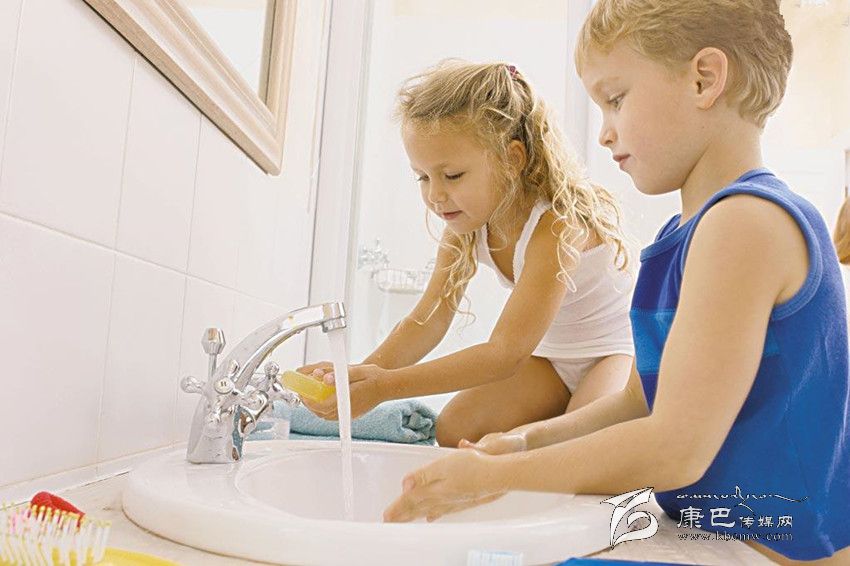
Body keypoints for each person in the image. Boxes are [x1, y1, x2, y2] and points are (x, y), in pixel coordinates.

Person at [383, 2, 850, 564]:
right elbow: (637, 401)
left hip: (769, 548)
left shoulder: (746, 223)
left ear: (704, 79)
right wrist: (526, 441)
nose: (604, 133)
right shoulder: (687, 234)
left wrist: (497, 475)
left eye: (616, 99)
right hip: (705, 527)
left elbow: (676, 448)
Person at [299, 59, 635, 448]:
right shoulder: (467, 227)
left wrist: (384, 386)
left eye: (452, 175)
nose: (435, 195)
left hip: (611, 356)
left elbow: (505, 353)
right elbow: (426, 321)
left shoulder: (556, 227)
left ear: (512, 159)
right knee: (454, 429)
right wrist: (357, 377)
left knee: (576, 449)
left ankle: (569, 419)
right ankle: (559, 415)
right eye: (423, 177)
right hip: (549, 361)